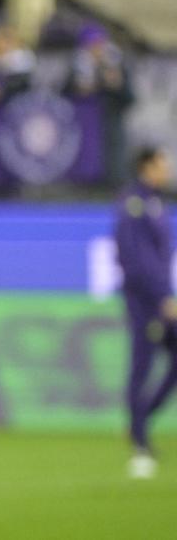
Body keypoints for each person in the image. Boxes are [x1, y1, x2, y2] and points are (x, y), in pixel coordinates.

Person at [114, 147, 176, 479]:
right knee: (142, 367)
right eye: (162, 164)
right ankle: (139, 441)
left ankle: (141, 418)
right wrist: (162, 296)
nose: (167, 170)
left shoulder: (154, 202)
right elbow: (137, 260)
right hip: (145, 302)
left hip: (161, 298)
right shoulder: (134, 204)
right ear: (145, 167)